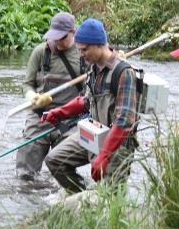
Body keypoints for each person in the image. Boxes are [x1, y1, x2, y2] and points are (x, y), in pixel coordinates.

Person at [41, 18, 139, 193]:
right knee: (54, 160)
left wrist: (104, 155)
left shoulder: (124, 73)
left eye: (84, 49)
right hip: (94, 134)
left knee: (110, 199)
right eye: (79, 50)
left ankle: (99, 205)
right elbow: (85, 101)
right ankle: (83, 199)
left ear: (99, 45)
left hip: (117, 144)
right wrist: (59, 112)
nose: (81, 54)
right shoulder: (93, 68)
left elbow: (124, 121)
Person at [15, 12, 86, 182]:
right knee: (25, 173)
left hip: (71, 120)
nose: (57, 41)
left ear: (73, 33)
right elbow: (27, 84)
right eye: (54, 37)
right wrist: (31, 95)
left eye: (62, 37)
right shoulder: (40, 52)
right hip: (41, 117)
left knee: (62, 167)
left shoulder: (83, 53)